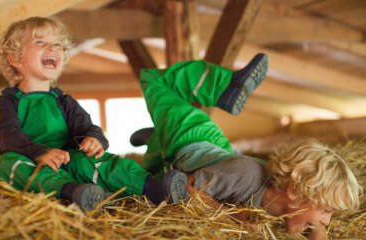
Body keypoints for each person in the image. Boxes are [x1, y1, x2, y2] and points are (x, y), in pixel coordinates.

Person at [130, 55, 362, 239]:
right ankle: (226, 85)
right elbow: (189, 187)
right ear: (294, 192)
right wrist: (230, 217)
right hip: (192, 138)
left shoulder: (283, 207)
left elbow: (312, 226)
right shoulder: (246, 175)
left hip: (220, 157)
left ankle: (156, 138)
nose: (327, 222)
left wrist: (317, 230)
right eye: (326, 211)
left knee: (154, 172)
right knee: (154, 81)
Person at [0, 16, 188, 212]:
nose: (52, 48)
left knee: (98, 161)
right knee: (7, 164)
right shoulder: (8, 102)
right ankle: (74, 192)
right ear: (15, 58)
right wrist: (40, 153)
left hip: (68, 160)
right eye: (40, 42)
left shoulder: (64, 101)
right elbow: (9, 137)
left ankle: (153, 188)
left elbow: (86, 127)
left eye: (58, 44)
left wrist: (94, 139)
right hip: (31, 160)